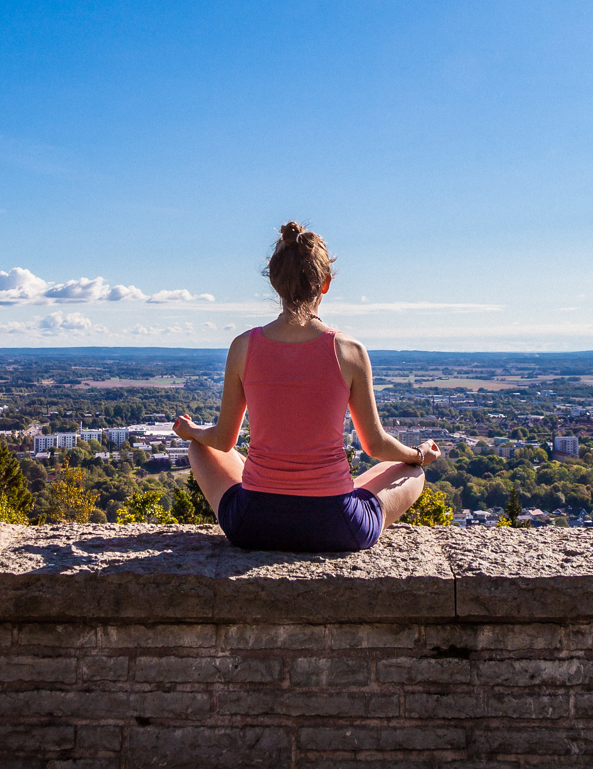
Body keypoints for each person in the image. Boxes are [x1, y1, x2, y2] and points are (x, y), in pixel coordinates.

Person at [173, 222, 440, 552]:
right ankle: (333, 492)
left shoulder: (243, 347)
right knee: (413, 472)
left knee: (200, 447)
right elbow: (375, 445)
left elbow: (223, 440)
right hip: (335, 526)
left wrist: (191, 431)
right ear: (325, 283)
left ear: (275, 283)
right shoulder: (349, 351)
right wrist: (419, 454)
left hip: (254, 525)